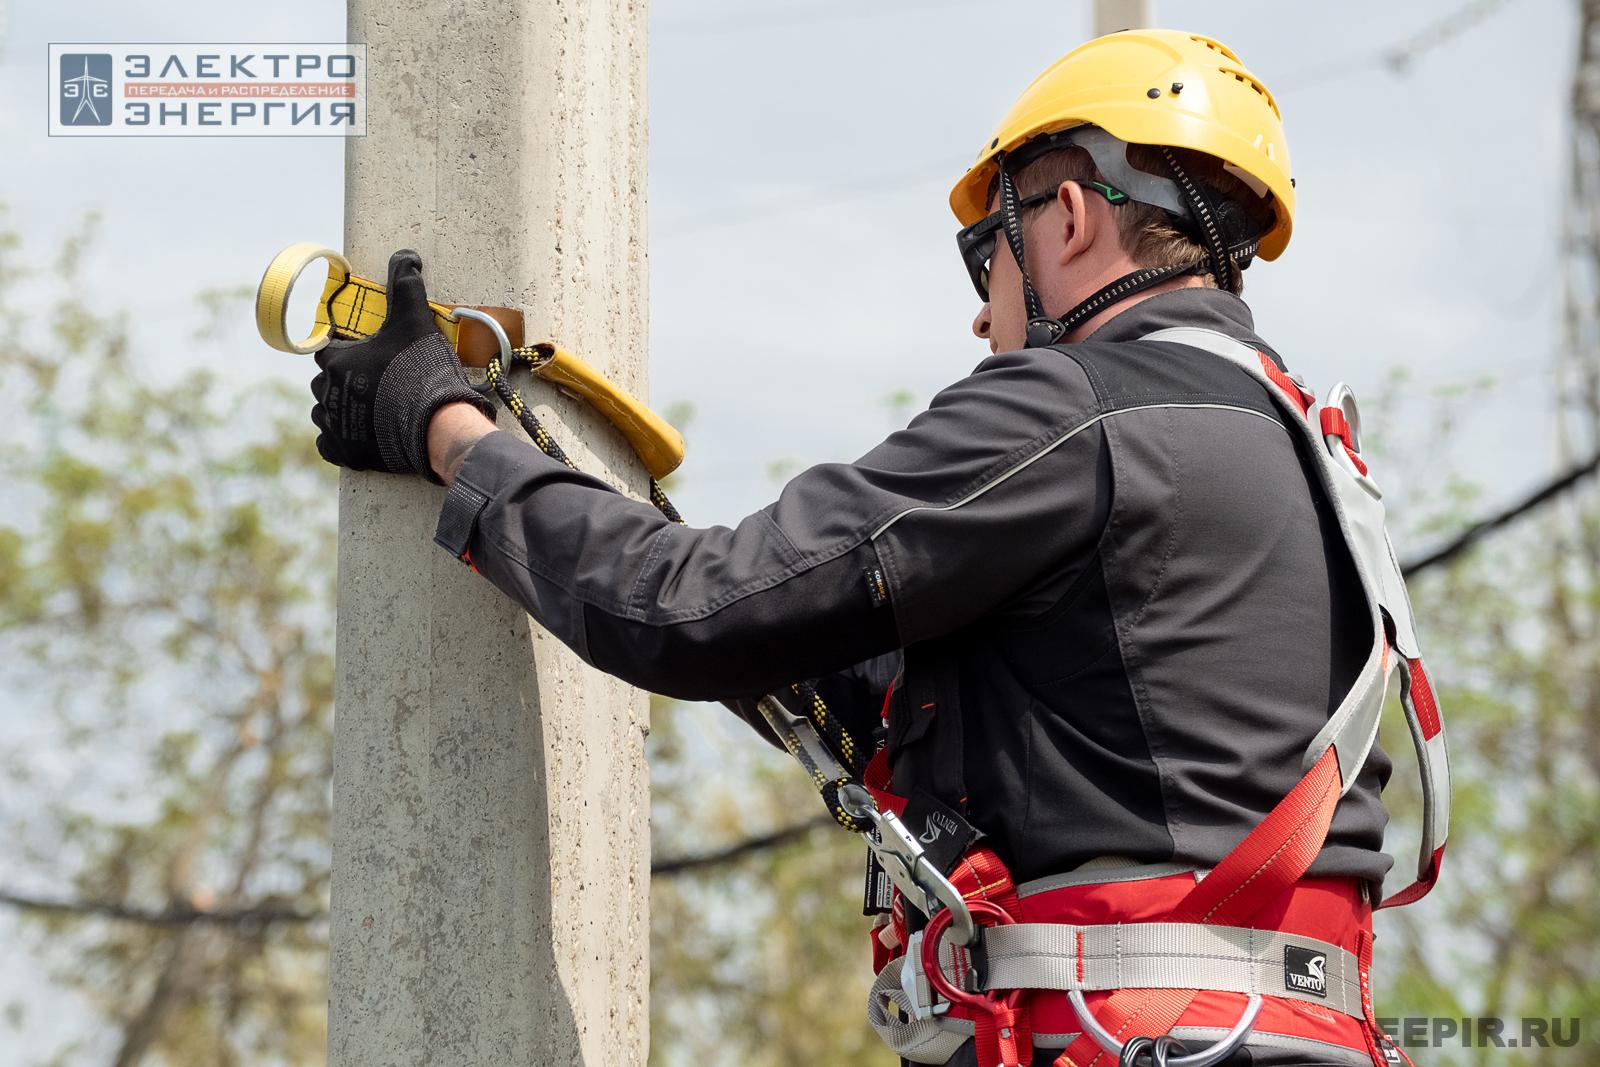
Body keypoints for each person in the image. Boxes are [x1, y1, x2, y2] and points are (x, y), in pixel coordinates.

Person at [310, 28, 1443, 1067]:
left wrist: (443, 425)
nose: (979, 316)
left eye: (986, 257)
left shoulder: (1076, 409)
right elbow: (1015, 724)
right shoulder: (1305, 457)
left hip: (1131, 1041)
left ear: (1068, 215)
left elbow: (690, 611)